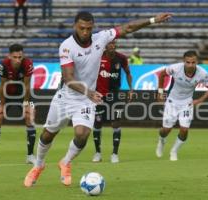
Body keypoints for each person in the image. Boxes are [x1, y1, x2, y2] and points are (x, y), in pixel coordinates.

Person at [23, 11, 172, 187]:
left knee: (82, 134)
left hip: (86, 100)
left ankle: (65, 162)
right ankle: (38, 165)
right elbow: (69, 79)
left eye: (88, 28)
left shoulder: (101, 38)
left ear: (92, 27)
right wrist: (89, 92)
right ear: (75, 26)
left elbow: (128, 27)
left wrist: (153, 19)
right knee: (48, 134)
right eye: (81, 28)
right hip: (66, 97)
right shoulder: (66, 46)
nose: (85, 32)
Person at [155, 50, 208, 161]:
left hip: (187, 103)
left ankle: (174, 151)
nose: (191, 65)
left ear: (196, 62)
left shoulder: (202, 73)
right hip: (172, 101)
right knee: (166, 130)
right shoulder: (176, 68)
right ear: (184, 61)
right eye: (188, 62)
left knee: (184, 129)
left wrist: (200, 100)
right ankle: (161, 141)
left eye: (193, 62)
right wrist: (160, 91)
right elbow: (162, 74)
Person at [0, 44, 36, 164]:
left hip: (22, 93)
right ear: (9, 56)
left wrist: (25, 102)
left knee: (30, 116)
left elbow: (27, 85)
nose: (18, 60)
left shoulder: (28, 64)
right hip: (6, 93)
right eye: (15, 57)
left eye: (20, 57)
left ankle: (30, 156)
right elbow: (2, 85)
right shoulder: (3, 65)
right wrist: (2, 105)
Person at [92, 40, 133, 163]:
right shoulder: (97, 57)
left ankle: (115, 154)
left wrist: (131, 90)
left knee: (116, 122)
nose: (112, 45)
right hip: (99, 95)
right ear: (105, 45)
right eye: (110, 43)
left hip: (115, 95)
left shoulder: (121, 58)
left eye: (114, 43)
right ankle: (97, 153)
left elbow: (128, 73)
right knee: (98, 123)